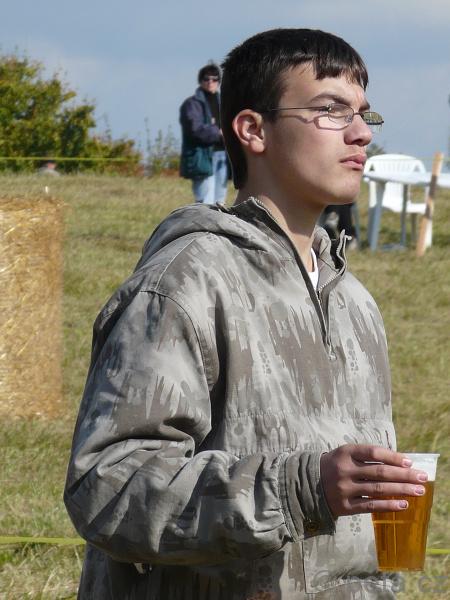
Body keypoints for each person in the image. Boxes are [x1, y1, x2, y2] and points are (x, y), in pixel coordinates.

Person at [64, 29, 429, 599]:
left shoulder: (357, 303)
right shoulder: (185, 281)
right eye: (330, 110)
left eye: (364, 114)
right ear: (253, 130)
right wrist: (299, 490)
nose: (361, 133)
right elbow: (108, 486)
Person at [179, 63, 228, 204]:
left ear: (219, 81)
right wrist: (218, 132)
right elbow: (194, 129)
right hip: (202, 157)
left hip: (223, 156)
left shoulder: (224, 102)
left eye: (214, 79)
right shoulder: (191, 104)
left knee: (220, 203)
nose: (210, 82)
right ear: (200, 81)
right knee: (205, 203)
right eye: (206, 79)